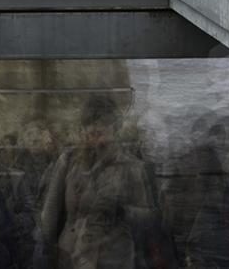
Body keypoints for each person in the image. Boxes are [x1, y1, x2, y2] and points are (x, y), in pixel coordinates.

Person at [38, 98, 154, 268]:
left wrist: (122, 210)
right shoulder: (68, 162)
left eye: (100, 133)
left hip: (113, 259)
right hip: (71, 257)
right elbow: (49, 214)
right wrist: (47, 250)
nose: (94, 141)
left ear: (115, 131)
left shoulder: (132, 168)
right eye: (89, 134)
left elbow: (148, 218)